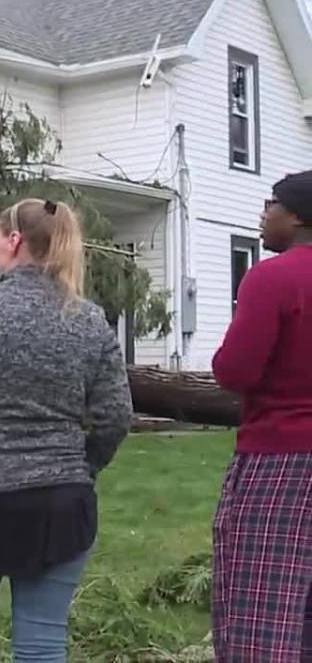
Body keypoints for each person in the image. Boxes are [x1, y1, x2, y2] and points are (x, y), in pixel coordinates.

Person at [0, 198, 133, 662]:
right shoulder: (90, 321)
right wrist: (83, 467)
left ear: (14, 241)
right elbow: (116, 415)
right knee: (42, 639)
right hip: (61, 502)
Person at [210, 169, 312, 663]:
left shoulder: (271, 278)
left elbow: (236, 370)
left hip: (281, 464)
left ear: (295, 216)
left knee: (263, 617)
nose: (262, 214)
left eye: (270, 203)